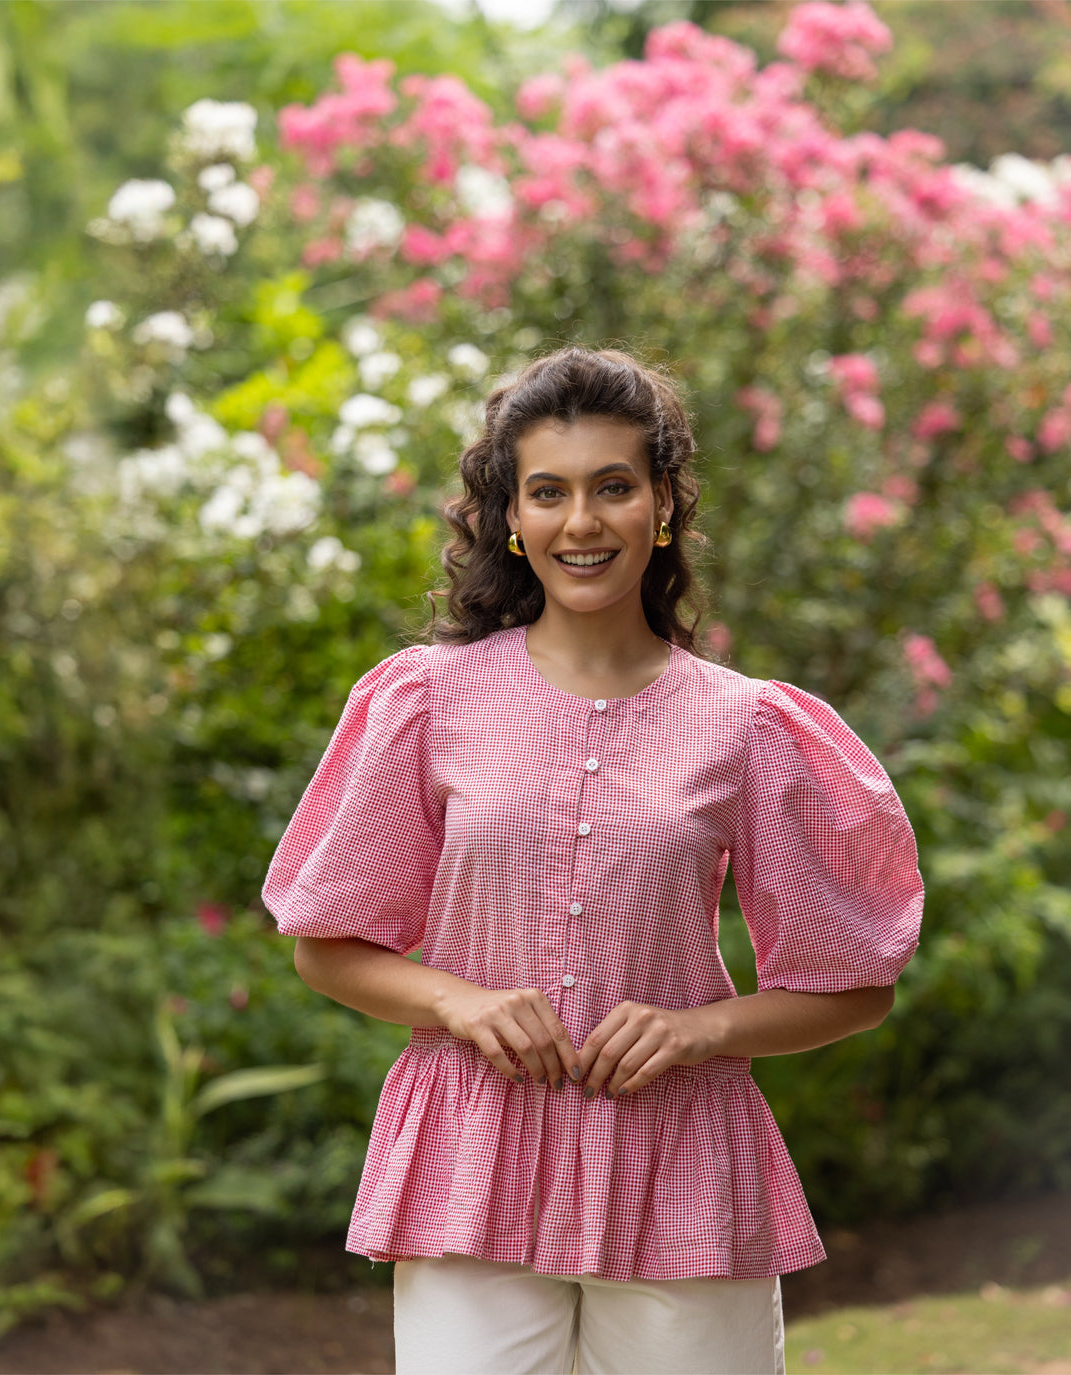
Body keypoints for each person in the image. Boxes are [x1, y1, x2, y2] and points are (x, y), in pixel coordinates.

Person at [261, 346, 924, 1375]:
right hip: (469, 1155)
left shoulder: (743, 725)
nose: (581, 522)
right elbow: (326, 945)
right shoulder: (424, 702)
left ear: (661, 506)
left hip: (680, 1159)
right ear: (510, 520)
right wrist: (457, 1002)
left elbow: (852, 984)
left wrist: (701, 1029)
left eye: (613, 487)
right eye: (548, 493)